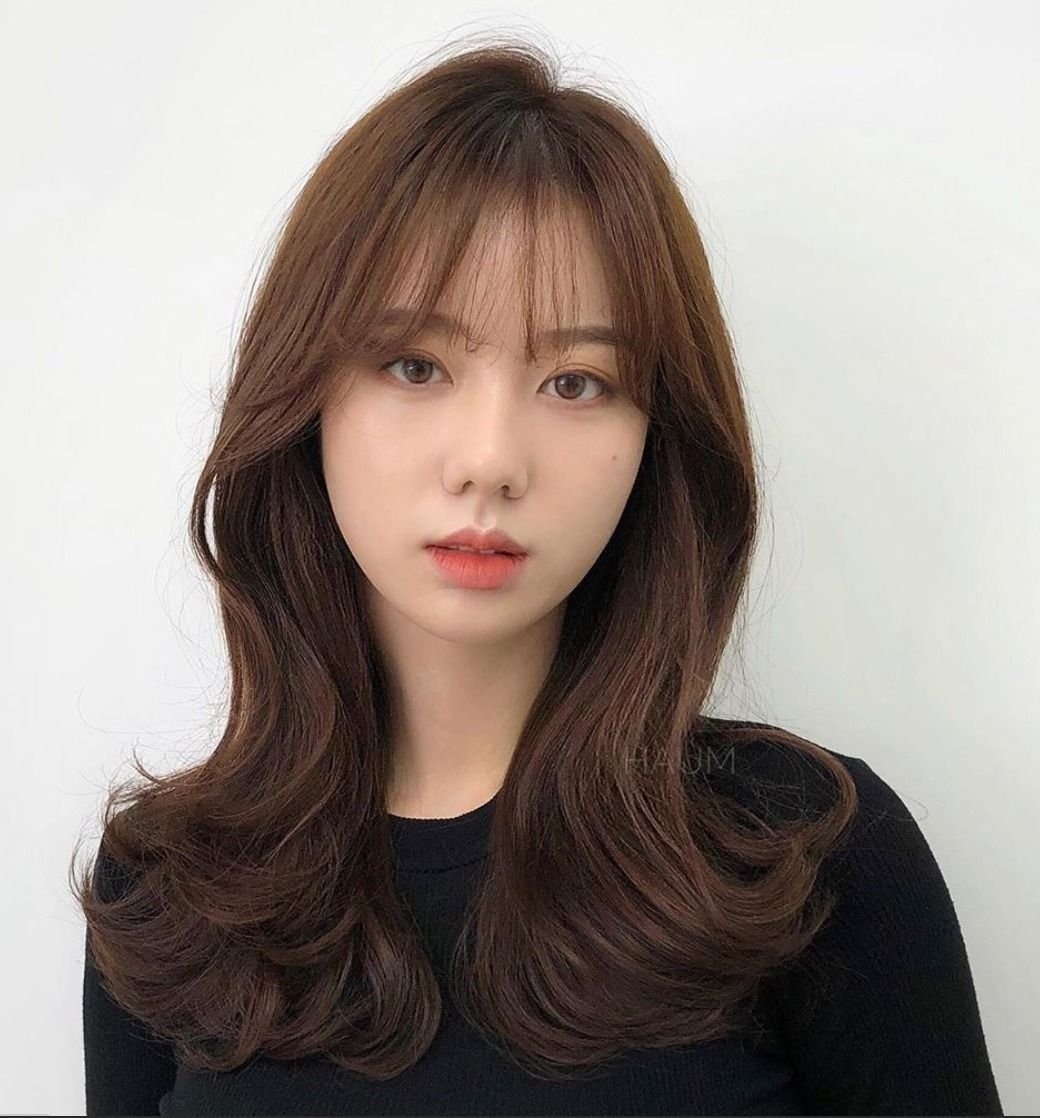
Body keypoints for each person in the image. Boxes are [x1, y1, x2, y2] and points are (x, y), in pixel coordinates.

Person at [77, 34, 1003, 1116]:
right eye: (415, 365)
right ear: (305, 399)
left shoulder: (809, 860)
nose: (490, 460)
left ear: (655, 436)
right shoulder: (169, 888)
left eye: (575, 382)